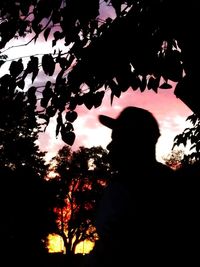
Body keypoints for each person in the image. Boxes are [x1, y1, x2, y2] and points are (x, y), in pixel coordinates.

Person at [82, 106, 178, 267]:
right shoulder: (168, 181)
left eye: (117, 138)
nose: (109, 146)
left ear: (134, 143)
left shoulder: (127, 188)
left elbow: (115, 250)